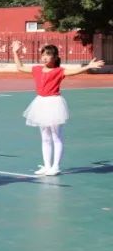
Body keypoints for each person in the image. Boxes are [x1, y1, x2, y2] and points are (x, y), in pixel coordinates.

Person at [12, 41, 104, 176]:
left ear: (55, 58)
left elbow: (74, 71)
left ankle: (55, 166)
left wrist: (87, 66)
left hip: (54, 104)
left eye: (48, 55)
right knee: (45, 137)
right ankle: (47, 165)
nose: (44, 57)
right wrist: (15, 52)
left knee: (56, 136)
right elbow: (20, 67)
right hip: (40, 103)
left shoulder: (59, 71)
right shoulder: (37, 69)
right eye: (43, 54)